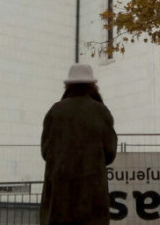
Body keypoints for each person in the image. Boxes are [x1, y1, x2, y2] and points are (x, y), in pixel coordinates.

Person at [40, 63, 117, 225]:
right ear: (93, 86)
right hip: (92, 200)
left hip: (59, 200)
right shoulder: (101, 111)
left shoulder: (55, 111)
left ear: (68, 86)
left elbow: (46, 152)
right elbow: (110, 153)